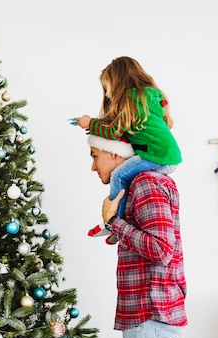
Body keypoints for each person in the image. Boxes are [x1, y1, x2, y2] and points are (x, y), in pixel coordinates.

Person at [87, 134, 187, 338]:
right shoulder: (143, 183)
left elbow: (162, 250)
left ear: (113, 152)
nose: (93, 166)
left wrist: (113, 222)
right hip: (150, 318)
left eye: (95, 156)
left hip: (150, 317)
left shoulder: (146, 182)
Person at [69, 56, 182, 244]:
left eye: (107, 88)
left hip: (158, 156)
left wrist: (90, 123)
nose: (106, 95)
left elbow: (114, 132)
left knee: (118, 176)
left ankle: (113, 223)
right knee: (126, 178)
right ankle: (118, 224)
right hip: (166, 156)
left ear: (118, 83)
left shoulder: (132, 101)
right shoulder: (146, 100)